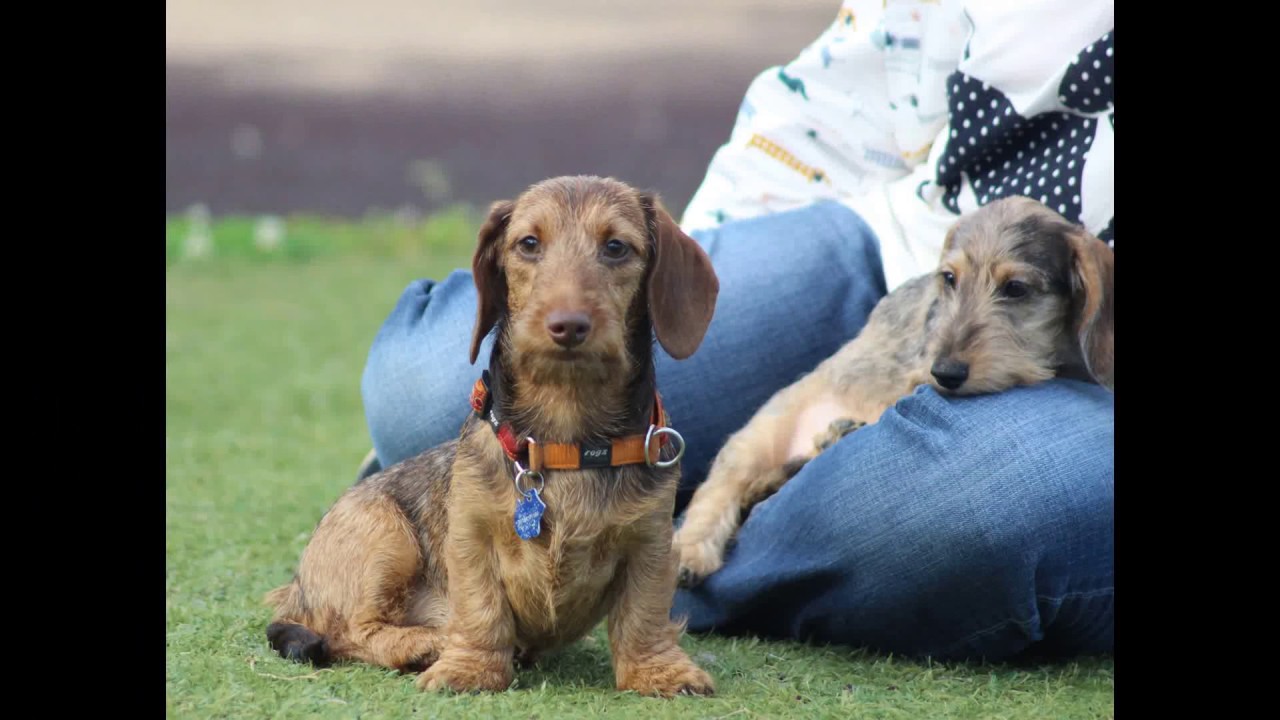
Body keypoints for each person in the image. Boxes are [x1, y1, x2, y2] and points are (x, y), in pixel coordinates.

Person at [356, 0, 1113, 662]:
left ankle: (647, 570)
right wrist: (675, 277)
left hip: (1083, 355)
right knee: (421, 391)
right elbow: (873, 65)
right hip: (903, 233)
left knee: (992, 507)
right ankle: (622, 524)